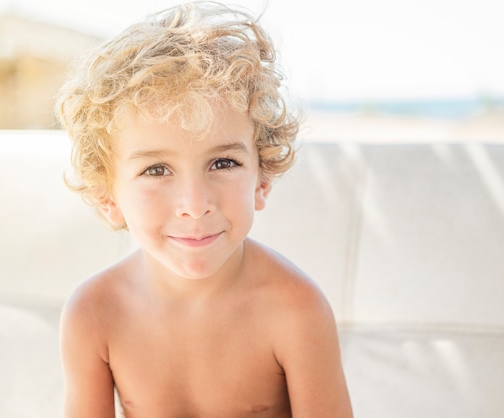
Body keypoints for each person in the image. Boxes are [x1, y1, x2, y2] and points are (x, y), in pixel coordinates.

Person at [55, 2, 353, 417]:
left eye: (223, 163)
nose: (195, 206)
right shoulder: (93, 313)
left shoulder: (295, 310)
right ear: (109, 197)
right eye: (156, 169)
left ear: (262, 179)